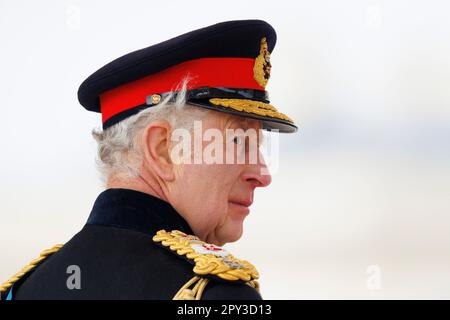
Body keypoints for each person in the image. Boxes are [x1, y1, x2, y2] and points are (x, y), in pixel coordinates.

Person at [0, 19, 297, 300]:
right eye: (237, 140)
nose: (262, 174)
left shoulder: (26, 287)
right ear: (164, 150)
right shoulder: (212, 294)